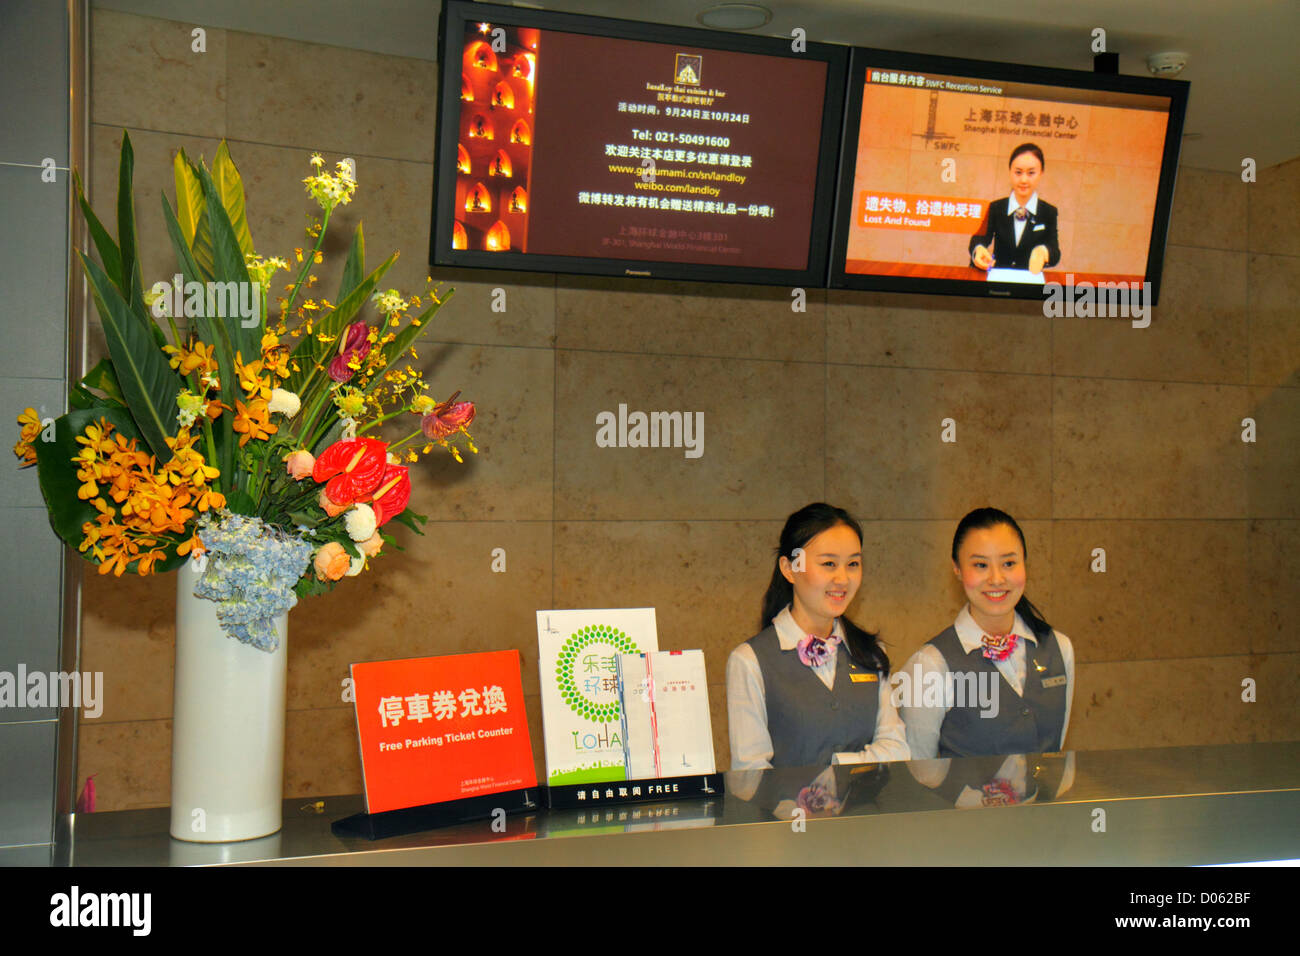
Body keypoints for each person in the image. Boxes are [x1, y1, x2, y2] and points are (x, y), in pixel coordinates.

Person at [727, 503, 909, 769]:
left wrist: (839, 765)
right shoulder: (749, 661)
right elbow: (750, 771)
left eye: (853, 564)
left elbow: (897, 749)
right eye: (828, 564)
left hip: (867, 810)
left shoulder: (871, 652)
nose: (843, 579)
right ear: (789, 569)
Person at [898, 507, 1074, 758]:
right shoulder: (929, 665)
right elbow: (917, 773)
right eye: (981, 565)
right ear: (957, 569)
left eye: (1009, 563)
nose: (996, 578)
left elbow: (1056, 752)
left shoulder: (1060, 648)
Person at [968, 143, 1061, 273]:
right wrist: (979, 249)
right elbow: (980, 238)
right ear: (1010, 172)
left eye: (1031, 173)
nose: (1023, 180)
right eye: (1018, 172)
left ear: (1041, 173)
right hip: (998, 279)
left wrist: (1043, 252)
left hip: (1029, 282)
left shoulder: (1048, 212)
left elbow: (1055, 251)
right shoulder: (996, 207)